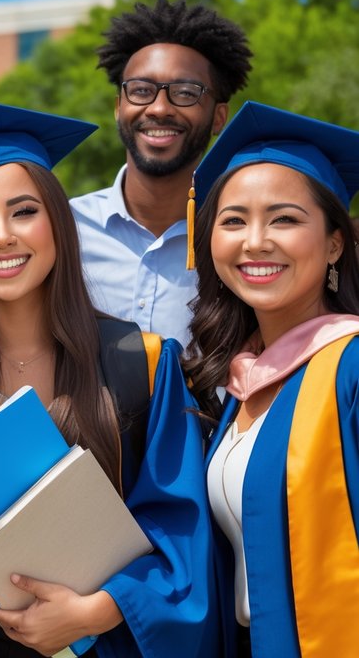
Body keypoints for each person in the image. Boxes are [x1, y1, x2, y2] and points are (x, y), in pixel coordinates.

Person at [0, 100, 216, 658]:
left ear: (58, 224)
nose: (1, 236)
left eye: (23, 211)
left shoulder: (137, 361)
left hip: (105, 642)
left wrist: (97, 611)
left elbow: (179, 526)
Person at [182, 101, 359, 657]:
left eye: (284, 218)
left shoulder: (350, 366)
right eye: (233, 221)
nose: (255, 241)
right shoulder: (239, 382)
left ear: (334, 242)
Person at [72, 0, 252, 346]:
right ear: (118, 107)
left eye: (185, 93)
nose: (158, 108)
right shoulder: (63, 230)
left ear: (219, 117)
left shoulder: (242, 242)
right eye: (141, 90)